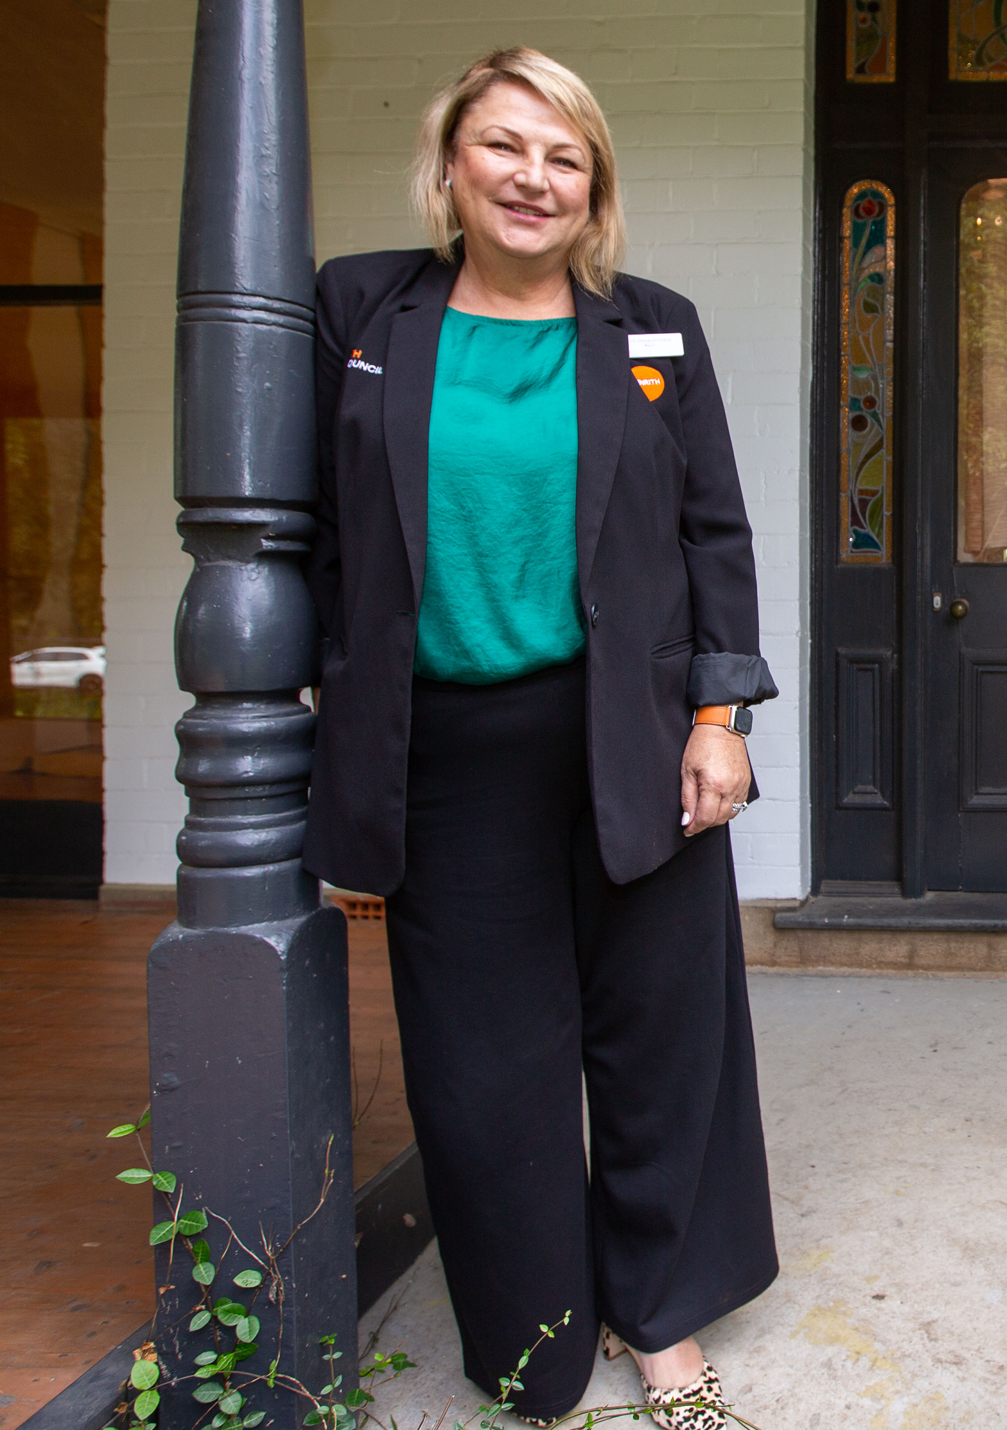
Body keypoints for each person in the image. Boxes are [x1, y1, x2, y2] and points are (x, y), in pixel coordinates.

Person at [302, 47, 778, 1429]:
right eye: (506, 145)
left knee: (660, 1040)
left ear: (595, 189)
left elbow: (714, 536)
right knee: (482, 1072)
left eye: (564, 156)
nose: (533, 177)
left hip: (630, 736)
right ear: (451, 162)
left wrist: (717, 717)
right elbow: (315, 539)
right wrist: (337, 768)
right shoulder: (358, 309)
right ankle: (540, 1349)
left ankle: (664, 1325)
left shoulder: (652, 329)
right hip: (445, 752)